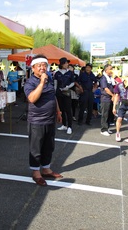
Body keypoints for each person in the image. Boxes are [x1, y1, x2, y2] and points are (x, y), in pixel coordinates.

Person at [23, 54, 63, 186]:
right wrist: (41, 82)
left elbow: (53, 96)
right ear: (33, 68)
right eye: (39, 65)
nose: (42, 68)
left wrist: (58, 111)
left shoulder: (49, 80)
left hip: (50, 119)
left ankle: (46, 169)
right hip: (37, 121)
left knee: (48, 146)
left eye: (44, 65)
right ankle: (36, 173)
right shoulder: (30, 82)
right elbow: (32, 98)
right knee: (36, 148)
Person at [54, 57, 75, 135]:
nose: (67, 64)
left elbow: (73, 82)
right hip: (59, 93)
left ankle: (70, 126)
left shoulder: (70, 73)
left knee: (68, 109)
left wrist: (68, 87)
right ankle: (64, 124)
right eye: (66, 63)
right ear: (62, 64)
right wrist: (55, 92)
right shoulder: (57, 73)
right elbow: (55, 83)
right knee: (61, 109)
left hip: (67, 93)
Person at [99, 64, 115, 136]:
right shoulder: (103, 78)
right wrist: (112, 95)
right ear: (106, 70)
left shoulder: (110, 78)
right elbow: (106, 89)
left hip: (110, 98)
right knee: (105, 114)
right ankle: (103, 129)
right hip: (105, 98)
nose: (112, 70)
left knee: (109, 114)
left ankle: (107, 127)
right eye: (110, 69)